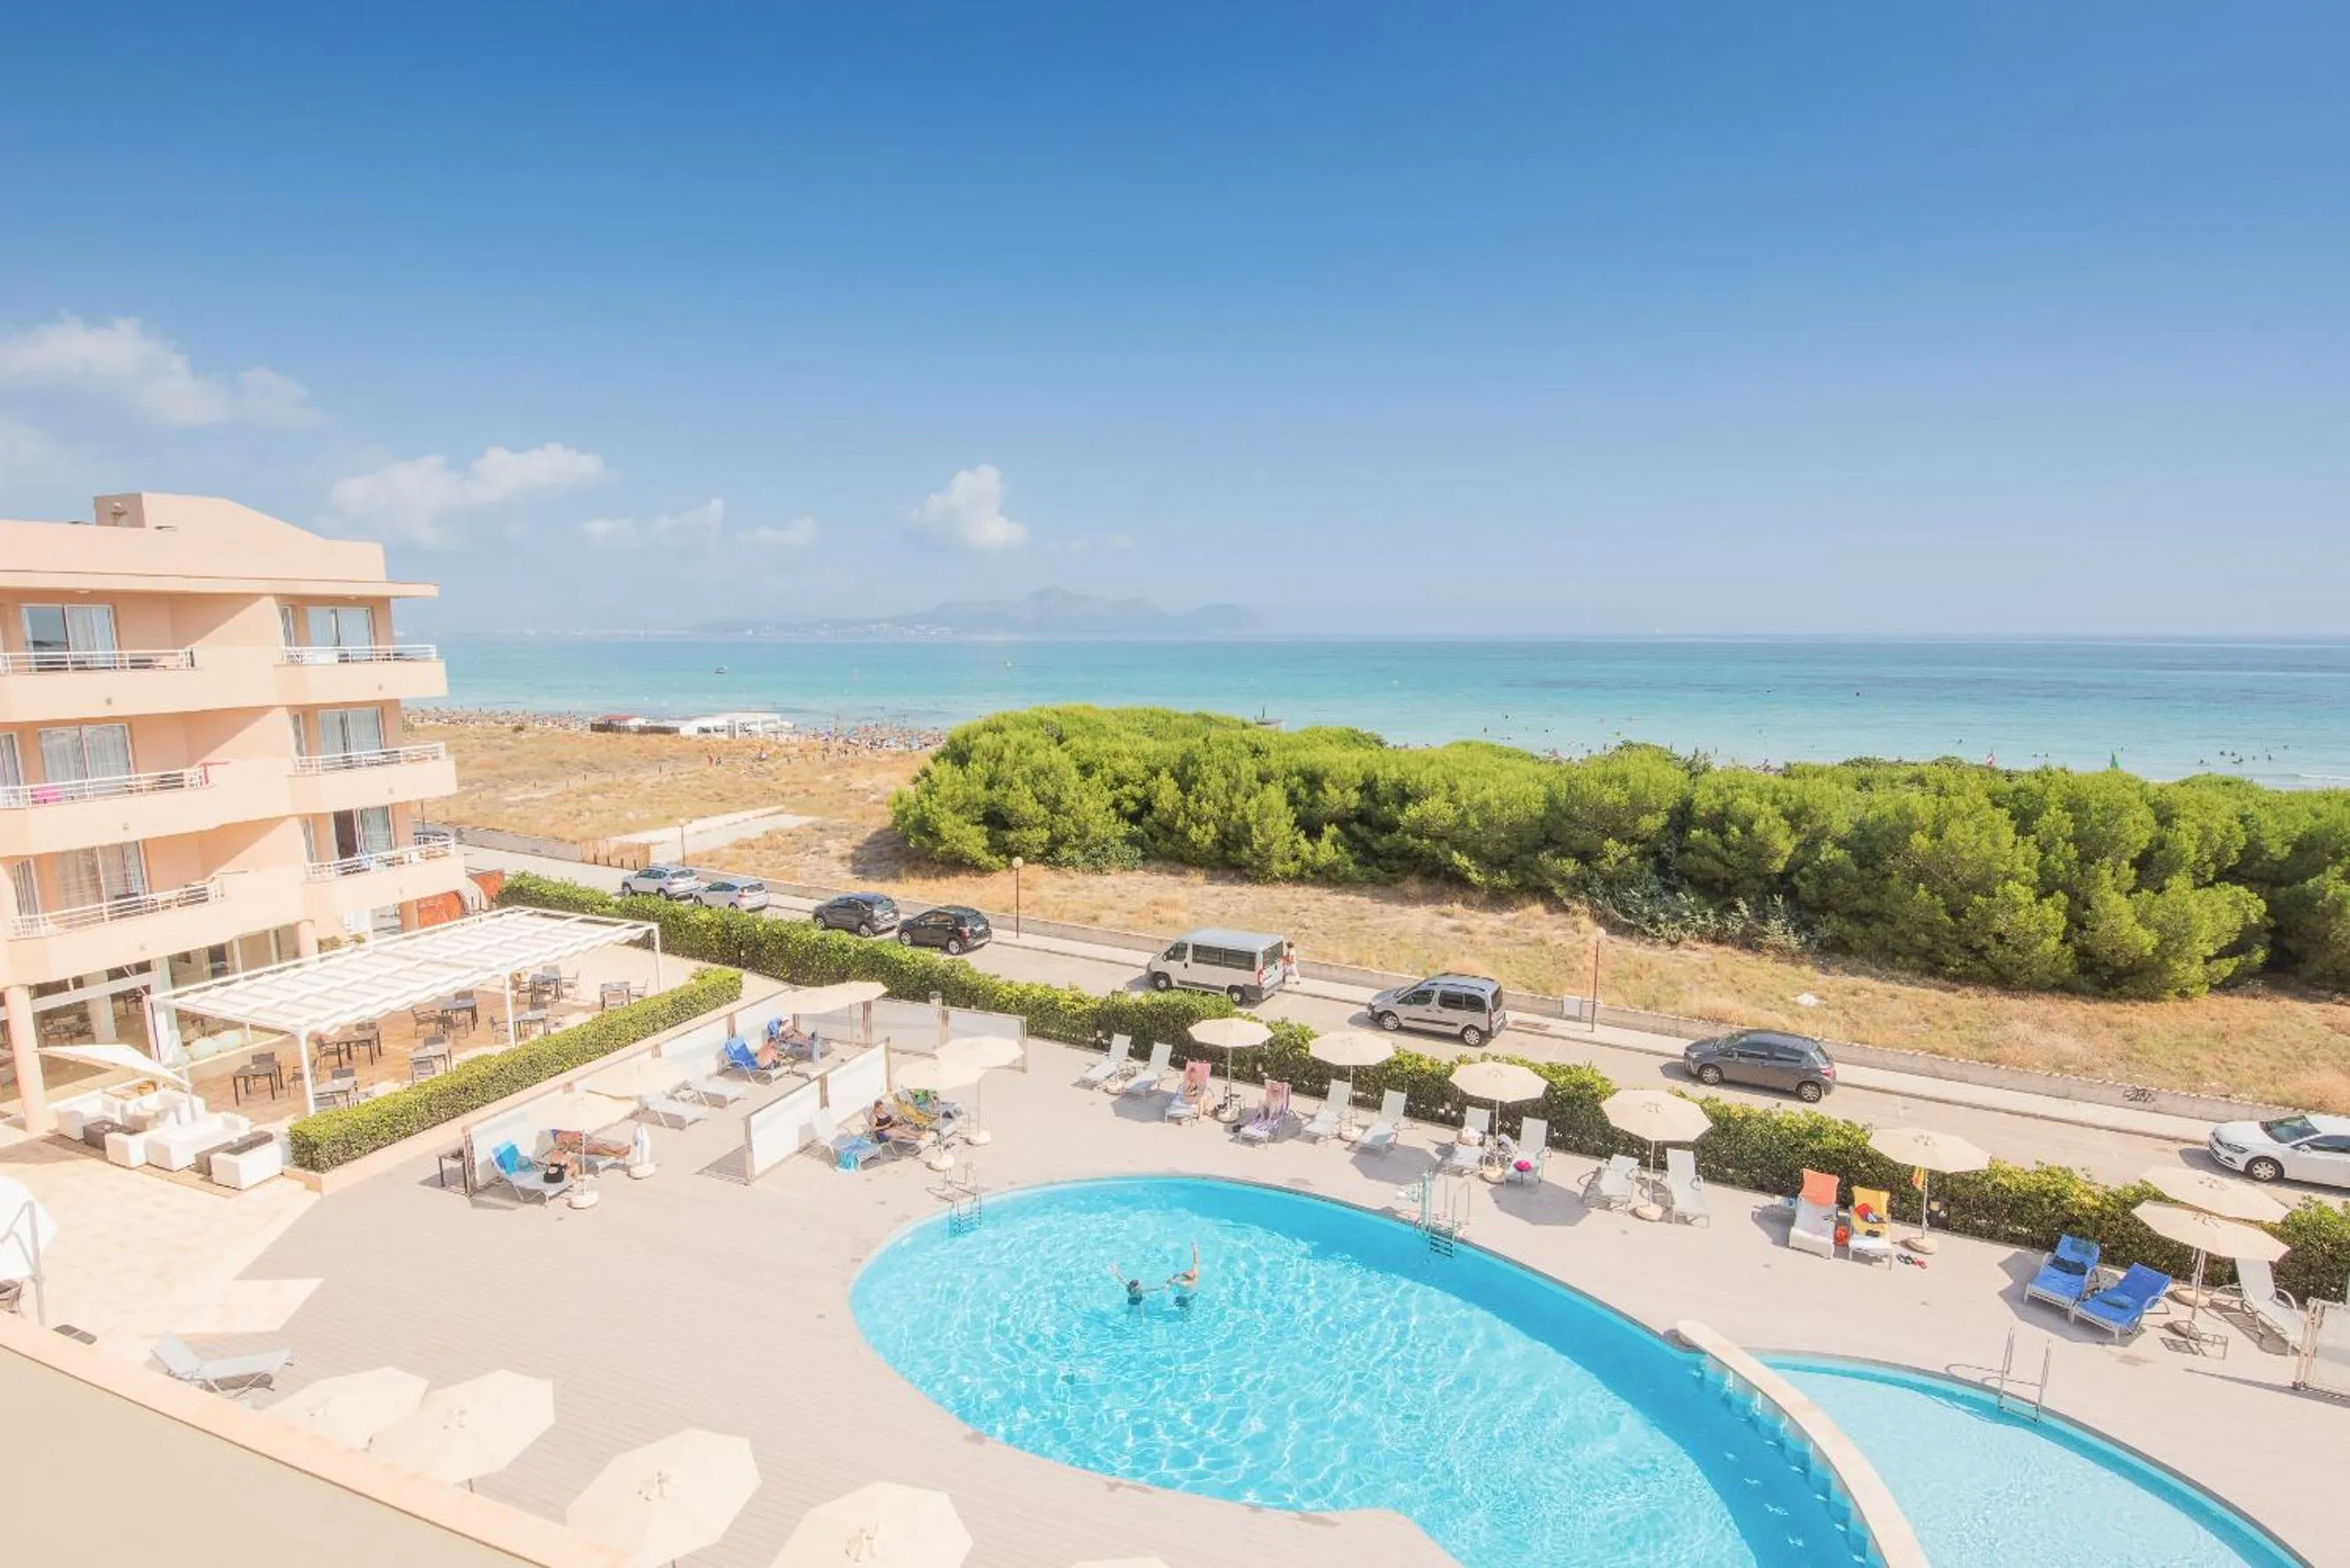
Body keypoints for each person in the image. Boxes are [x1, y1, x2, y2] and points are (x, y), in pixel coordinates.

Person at [1167, 1242, 1200, 1310]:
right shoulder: (1195, 1275)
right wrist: (1194, 1248)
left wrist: (1175, 1276)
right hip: (1192, 1294)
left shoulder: (1183, 1283)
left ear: (1185, 1278)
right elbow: (1195, 1261)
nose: (1186, 1271)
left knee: (1179, 1307)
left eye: (1185, 1273)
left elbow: (1169, 1282)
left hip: (1183, 1298)